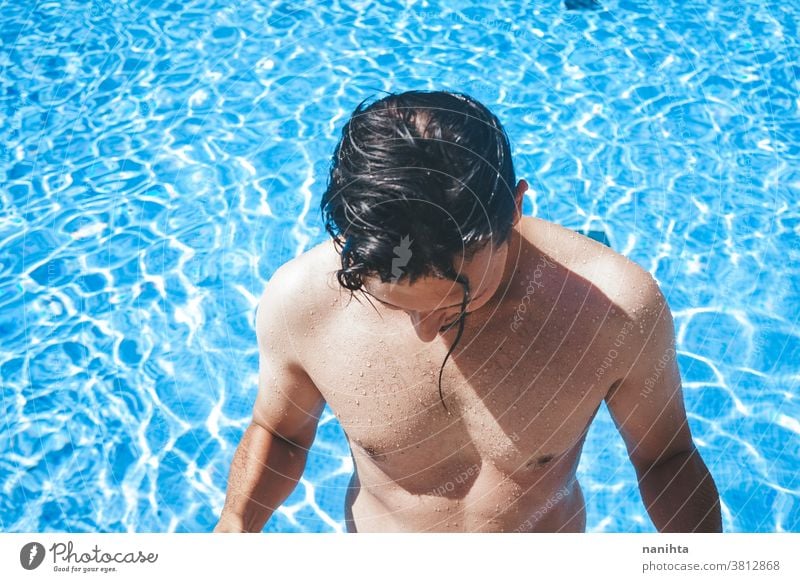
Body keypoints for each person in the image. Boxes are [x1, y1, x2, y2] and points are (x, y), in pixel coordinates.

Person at [213, 91, 721, 533]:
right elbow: (280, 433)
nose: (425, 330)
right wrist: (235, 525)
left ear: (516, 208)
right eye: (393, 303)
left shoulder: (615, 308)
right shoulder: (303, 301)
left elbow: (665, 458)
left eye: (455, 300)